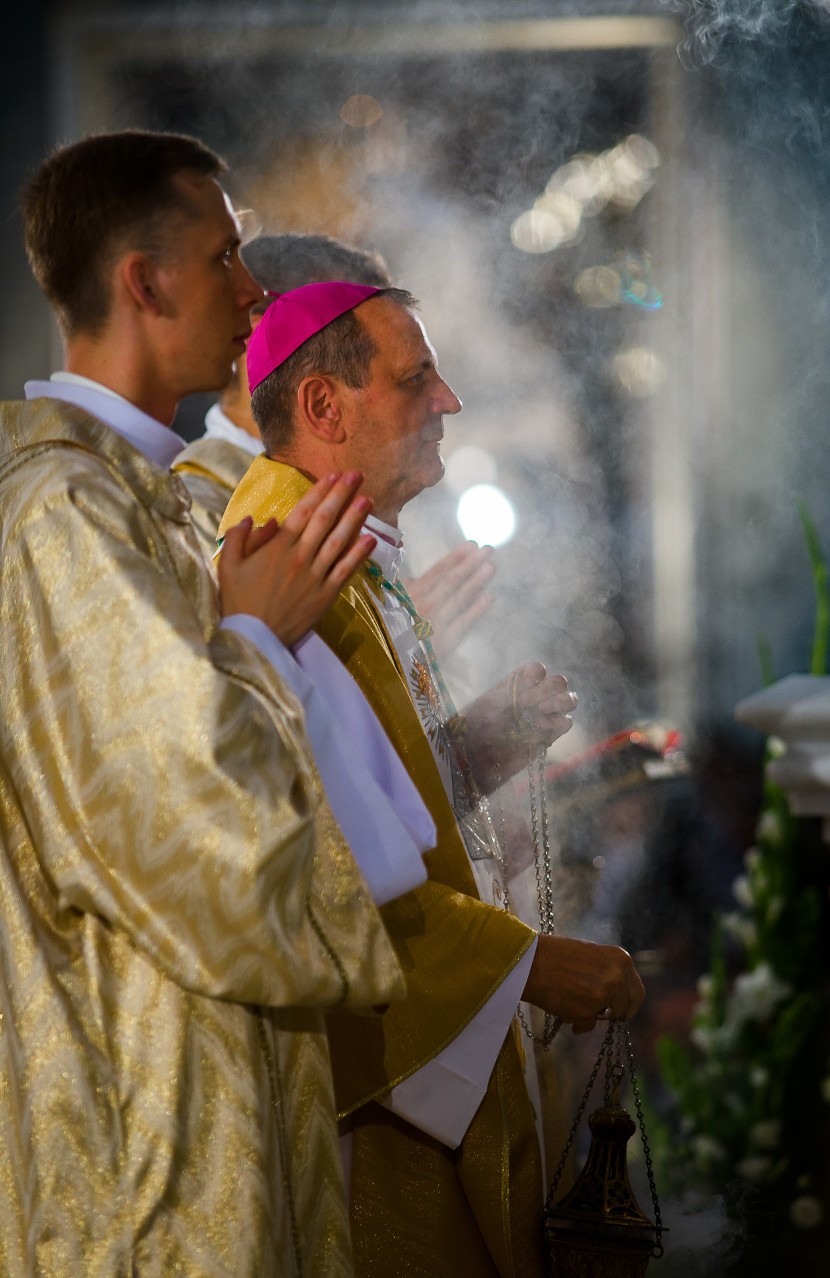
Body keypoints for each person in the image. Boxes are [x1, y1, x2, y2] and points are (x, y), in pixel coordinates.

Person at [0, 131, 428, 1278]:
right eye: (227, 256)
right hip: (143, 1108)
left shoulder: (159, 502)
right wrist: (253, 637)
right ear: (145, 281)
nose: (253, 293)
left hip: (222, 1066)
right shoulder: (63, 516)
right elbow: (188, 836)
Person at [220, 282, 646, 1277]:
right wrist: (528, 965)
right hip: (374, 1107)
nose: (448, 399)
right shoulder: (290, 559)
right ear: (324, 407)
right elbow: (318, 857)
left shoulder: (349, 551)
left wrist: (477, 748)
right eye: (416, 379)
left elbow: (377, 794)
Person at [173, 232, 495, 659]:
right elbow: (221, 702)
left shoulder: (360, 492)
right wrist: (394, 641)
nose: (448, 402)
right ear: (259, 334)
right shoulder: (184, 512)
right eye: (345, 316)